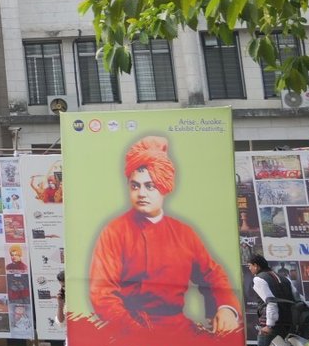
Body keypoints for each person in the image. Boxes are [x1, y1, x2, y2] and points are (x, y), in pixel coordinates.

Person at [87, 135, 242, 333]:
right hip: (129, 332)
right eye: (135, 186)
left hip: (178, 328)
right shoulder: (114, 231)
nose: (141, 193)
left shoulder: (184, 232)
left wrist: (227, 309)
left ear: (164, 186)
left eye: (149, 186)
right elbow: (102, 294)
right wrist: (139, 335)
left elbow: (212, 274)